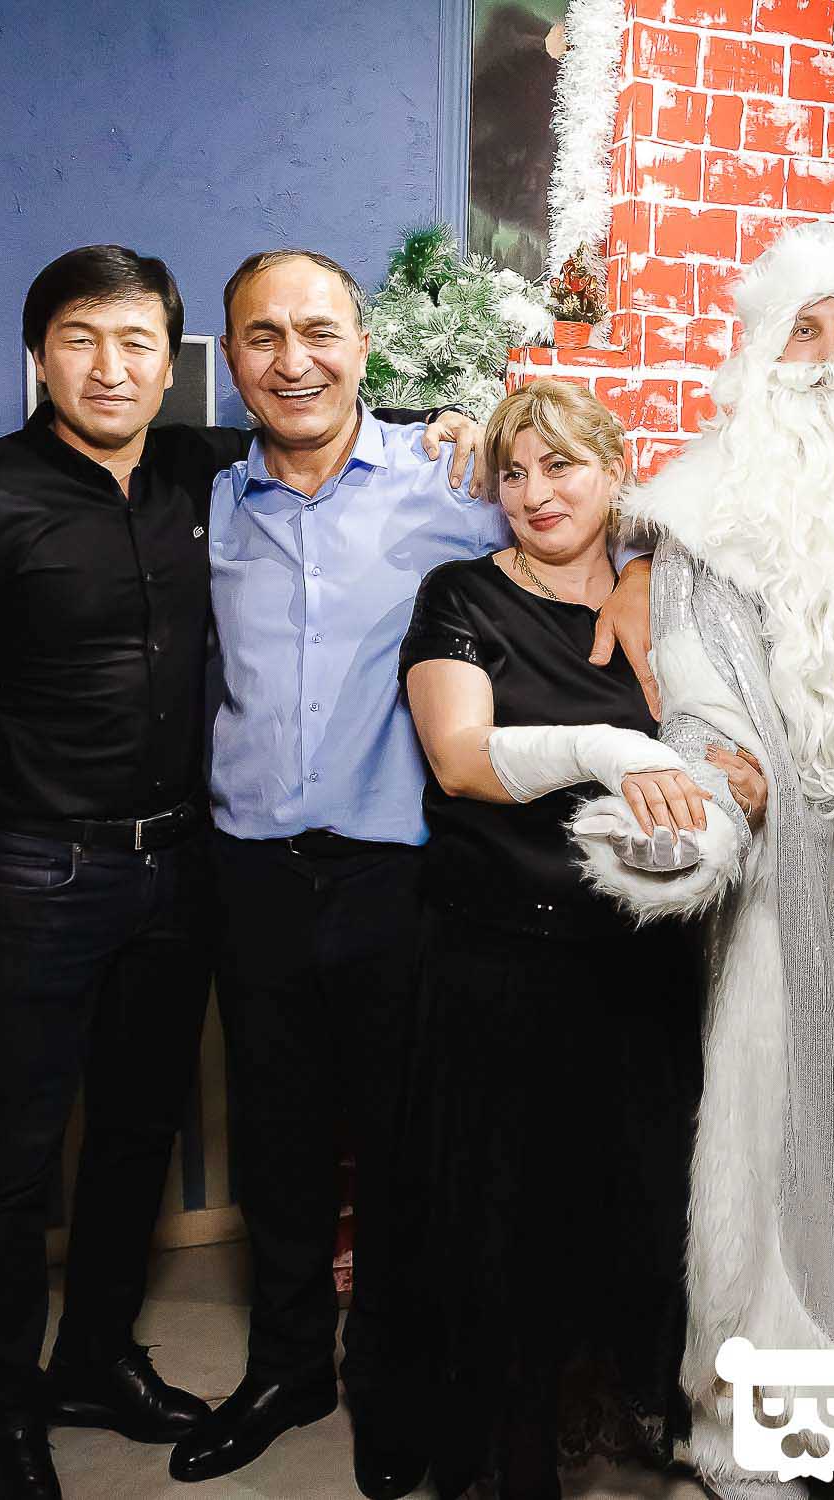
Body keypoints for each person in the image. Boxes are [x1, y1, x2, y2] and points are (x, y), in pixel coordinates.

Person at [0, 245, 476, 1500]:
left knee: (139, 1135)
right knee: (14, 1159)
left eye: (136, 342)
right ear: (39, 354)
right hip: (33, 875)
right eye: (81, 339)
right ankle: (9, 1412)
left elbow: (335, 404)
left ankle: (97, 1361)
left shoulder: (210, 469)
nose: (110, 367)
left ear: (172, 361)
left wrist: (462, 415)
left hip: (188, 873)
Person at [165, 248, 650, 1495]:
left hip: (400, 878)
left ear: (362, 344)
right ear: (232, 360)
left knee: (404, 1159)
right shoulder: (209, 501)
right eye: (263, 337)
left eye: (318, 331)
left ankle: (397, 1390)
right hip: (252, 871)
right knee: (276, 1144)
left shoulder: (453, 477)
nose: (294, 360)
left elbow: (587, 504)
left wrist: (647, 570)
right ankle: (285, 1372)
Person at [569, 219, 834, 1500]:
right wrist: (713, 784)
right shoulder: (705, 519)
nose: (831, 353)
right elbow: (699, 694)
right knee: (777, 1123)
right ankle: (754, 1424)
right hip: (778, 874)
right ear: (760, 355)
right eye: (804, 330)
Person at [394, 378, 758, 1499]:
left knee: (638, 1200)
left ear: (614, 472)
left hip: (640, 961)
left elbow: (726, 742)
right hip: (499, 954)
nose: (536, 492)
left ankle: (632, 1401)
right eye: (514, 472)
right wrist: (609, 749)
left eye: (562, 465)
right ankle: (511, 1458)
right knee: (505, 1223)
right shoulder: (462, 593)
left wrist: (736, 778)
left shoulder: (669, 599)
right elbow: (460, 758)